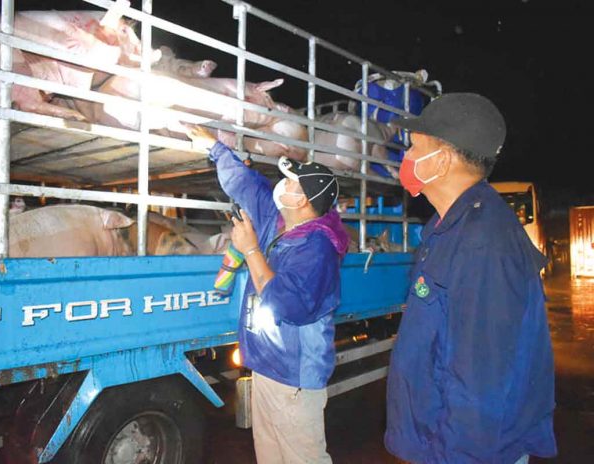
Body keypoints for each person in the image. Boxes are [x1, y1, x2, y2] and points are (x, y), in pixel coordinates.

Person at [384, 93, 557, 464]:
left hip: (466, 452)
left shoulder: (484, 241)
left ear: (442, 160)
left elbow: (481, 379)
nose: (407, 159)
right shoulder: (446, 225)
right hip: (437, 441)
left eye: (415, 148)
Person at [185, 124, 349, 464]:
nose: (281, 185)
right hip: (266, 369)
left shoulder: (317, 248)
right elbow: (250, 186)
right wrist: (215, 148)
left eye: (289, 182)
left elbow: (287, 304)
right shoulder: (280, 224)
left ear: (302, 199)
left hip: (294, 381)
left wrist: (251, 249)